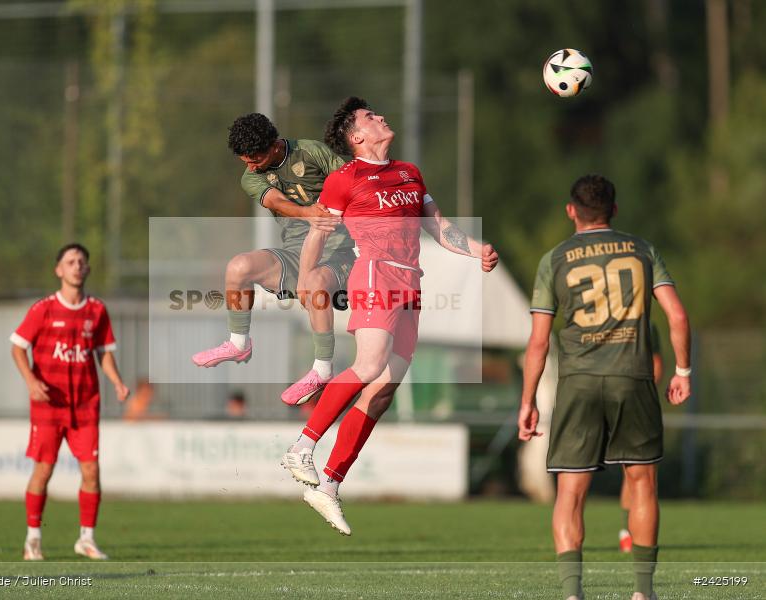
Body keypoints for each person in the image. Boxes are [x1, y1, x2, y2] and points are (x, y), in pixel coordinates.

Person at [281, 97, 498, 535]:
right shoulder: (345, 179)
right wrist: (306, 278)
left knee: (383, 390)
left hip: (410, 283)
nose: (380, 117)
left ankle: (329, 486)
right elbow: (318, 233)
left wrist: (476, 251)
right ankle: (302, 447)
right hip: (374, 273)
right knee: (368, 365)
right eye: (369, 118)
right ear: (357, 136)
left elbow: (438, 226)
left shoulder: (409, 172)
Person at [518, 175, 691, 600]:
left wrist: (527, 401)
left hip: (578, 383)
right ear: (614, 210)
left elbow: (539, 341)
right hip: (632, 378)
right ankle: (643, 592)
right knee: (643, 483)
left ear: (570, 210)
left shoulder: (554, 259)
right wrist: (682, 371)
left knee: (571, 491)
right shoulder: (642, 250)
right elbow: (678, 317)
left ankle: (573, 593)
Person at [192, 113, 357, 406]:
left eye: (255, 158)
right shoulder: (251, 176)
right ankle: (239, 343)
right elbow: (275, 201)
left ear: (274, 146)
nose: (251, 166)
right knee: (238, 267)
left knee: (316, 280)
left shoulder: (311, 152)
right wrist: (308, 213)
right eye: (245, 162)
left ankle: (322, 369)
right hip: (295, 253)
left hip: (337, 254)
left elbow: (352, 184)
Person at [10, 243, 130, 561]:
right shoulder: (44, 309)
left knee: (91, 471)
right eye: (70, 261)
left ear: (87, 269)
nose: (77, 266)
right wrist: (31, 381)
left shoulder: (97, 311)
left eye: (81, 262)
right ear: (59, 270)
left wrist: (117, 381)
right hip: (49, 405)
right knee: (44, 471)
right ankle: (32, 539)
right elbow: (18, 348)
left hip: (86, 404)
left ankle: (86, 539)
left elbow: (103, 352)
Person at [618, 323, 663, 552]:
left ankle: (627, 533)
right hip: (630, 402)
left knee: (574, 479)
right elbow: (657, 366)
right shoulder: (645, 323)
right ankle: (630, 534)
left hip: (591, 394)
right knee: (639, 472)